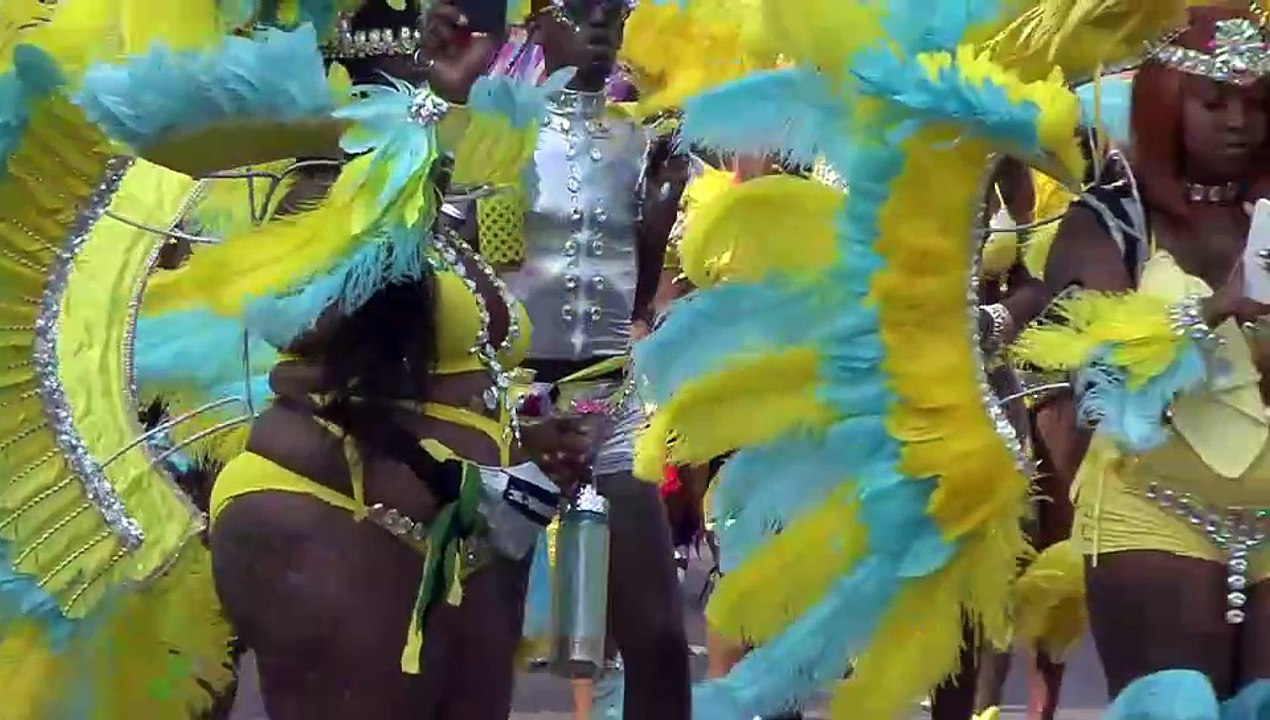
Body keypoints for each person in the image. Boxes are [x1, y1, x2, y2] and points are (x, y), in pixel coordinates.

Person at [1014, 4, 1270, 716]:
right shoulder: (1116, 217)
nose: (1238, 121)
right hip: (1153, 509)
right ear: (1165, 103)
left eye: (1255, 103)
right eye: (1214, 101)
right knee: (1178, 704)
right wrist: (1210, 311)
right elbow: (1092, 385)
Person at [487, 1, 693, 718]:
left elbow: (633, 290)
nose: (600, 26)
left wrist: (660, 218)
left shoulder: (644, 141)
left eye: (615, 10)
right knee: (480, 638)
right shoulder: (495, 133)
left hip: (610, 403)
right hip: (508, 405)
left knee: (661, 638)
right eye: (581, 9)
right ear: (538, 25)